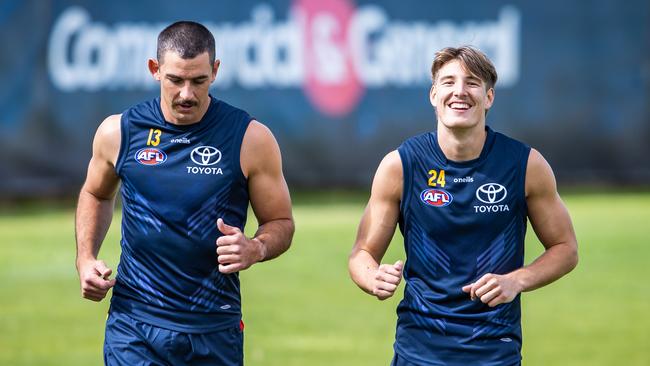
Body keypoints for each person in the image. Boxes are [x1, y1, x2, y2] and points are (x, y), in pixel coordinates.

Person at [75, 21, 294, 365]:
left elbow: (280, 221)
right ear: (155, 70)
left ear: (216, 71)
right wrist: (85, 257)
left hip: (213, 327)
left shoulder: (250, 138)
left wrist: (257, 247)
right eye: (175, 80)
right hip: (134, 323)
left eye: (198, 81)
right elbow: (96, 194)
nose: (187, 94)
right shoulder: (119, 132)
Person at [348, 46, 578, 365]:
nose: (459, 91)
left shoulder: (525, 165)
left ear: (489, 97)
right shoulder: (400, 165)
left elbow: (566, 248)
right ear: (433, 94)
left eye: (472, 82)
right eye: (448, 82)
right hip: (419, 350)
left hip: (495, 350)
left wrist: (516, 280)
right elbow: (362, 254)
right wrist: (373, 277)